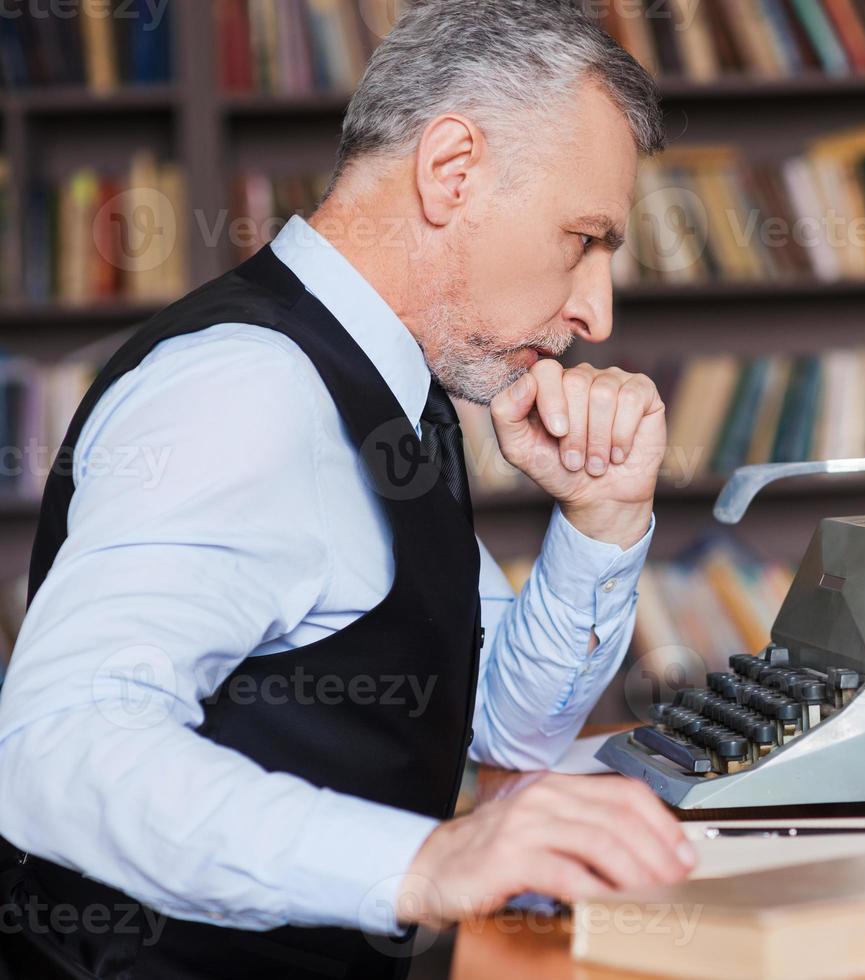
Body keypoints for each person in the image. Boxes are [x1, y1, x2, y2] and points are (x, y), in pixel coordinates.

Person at [0, 2, 692, 977]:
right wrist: (425, 857)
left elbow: (498, 723)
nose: (595, 310)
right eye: (583, 239)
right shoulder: (248, 390)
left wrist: (602, 518)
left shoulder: (398, 391)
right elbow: (57, 747)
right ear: (451, 170)